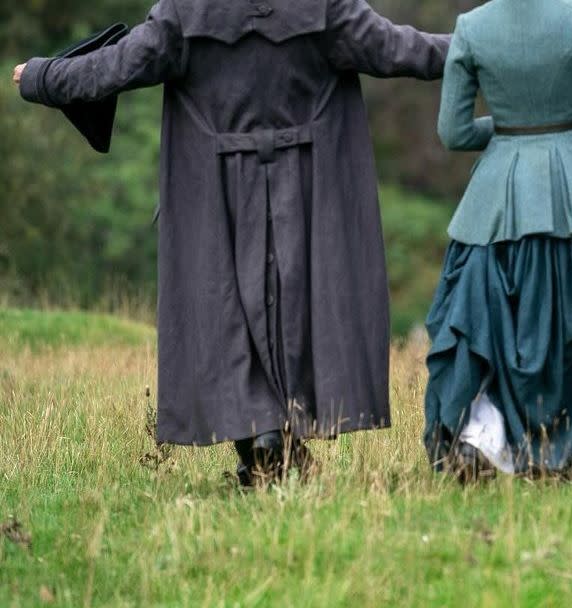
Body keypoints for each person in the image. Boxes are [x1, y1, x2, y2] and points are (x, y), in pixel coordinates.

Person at [13, 0, 451, 486]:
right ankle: (272, 447)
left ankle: (265, 441)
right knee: (299, 313)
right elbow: (403, 49)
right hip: (308, 189)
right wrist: (479, 47)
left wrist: (41, 75)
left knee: (229, 319)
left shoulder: (185, 11)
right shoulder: (323, 6)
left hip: (214, 193)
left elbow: (112, 68)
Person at [424, 0, 572, 481]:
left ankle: (488, 443)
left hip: (497, 201)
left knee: (488, 320)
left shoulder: (471, 27)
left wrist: (509, 130)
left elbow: (454, 132)